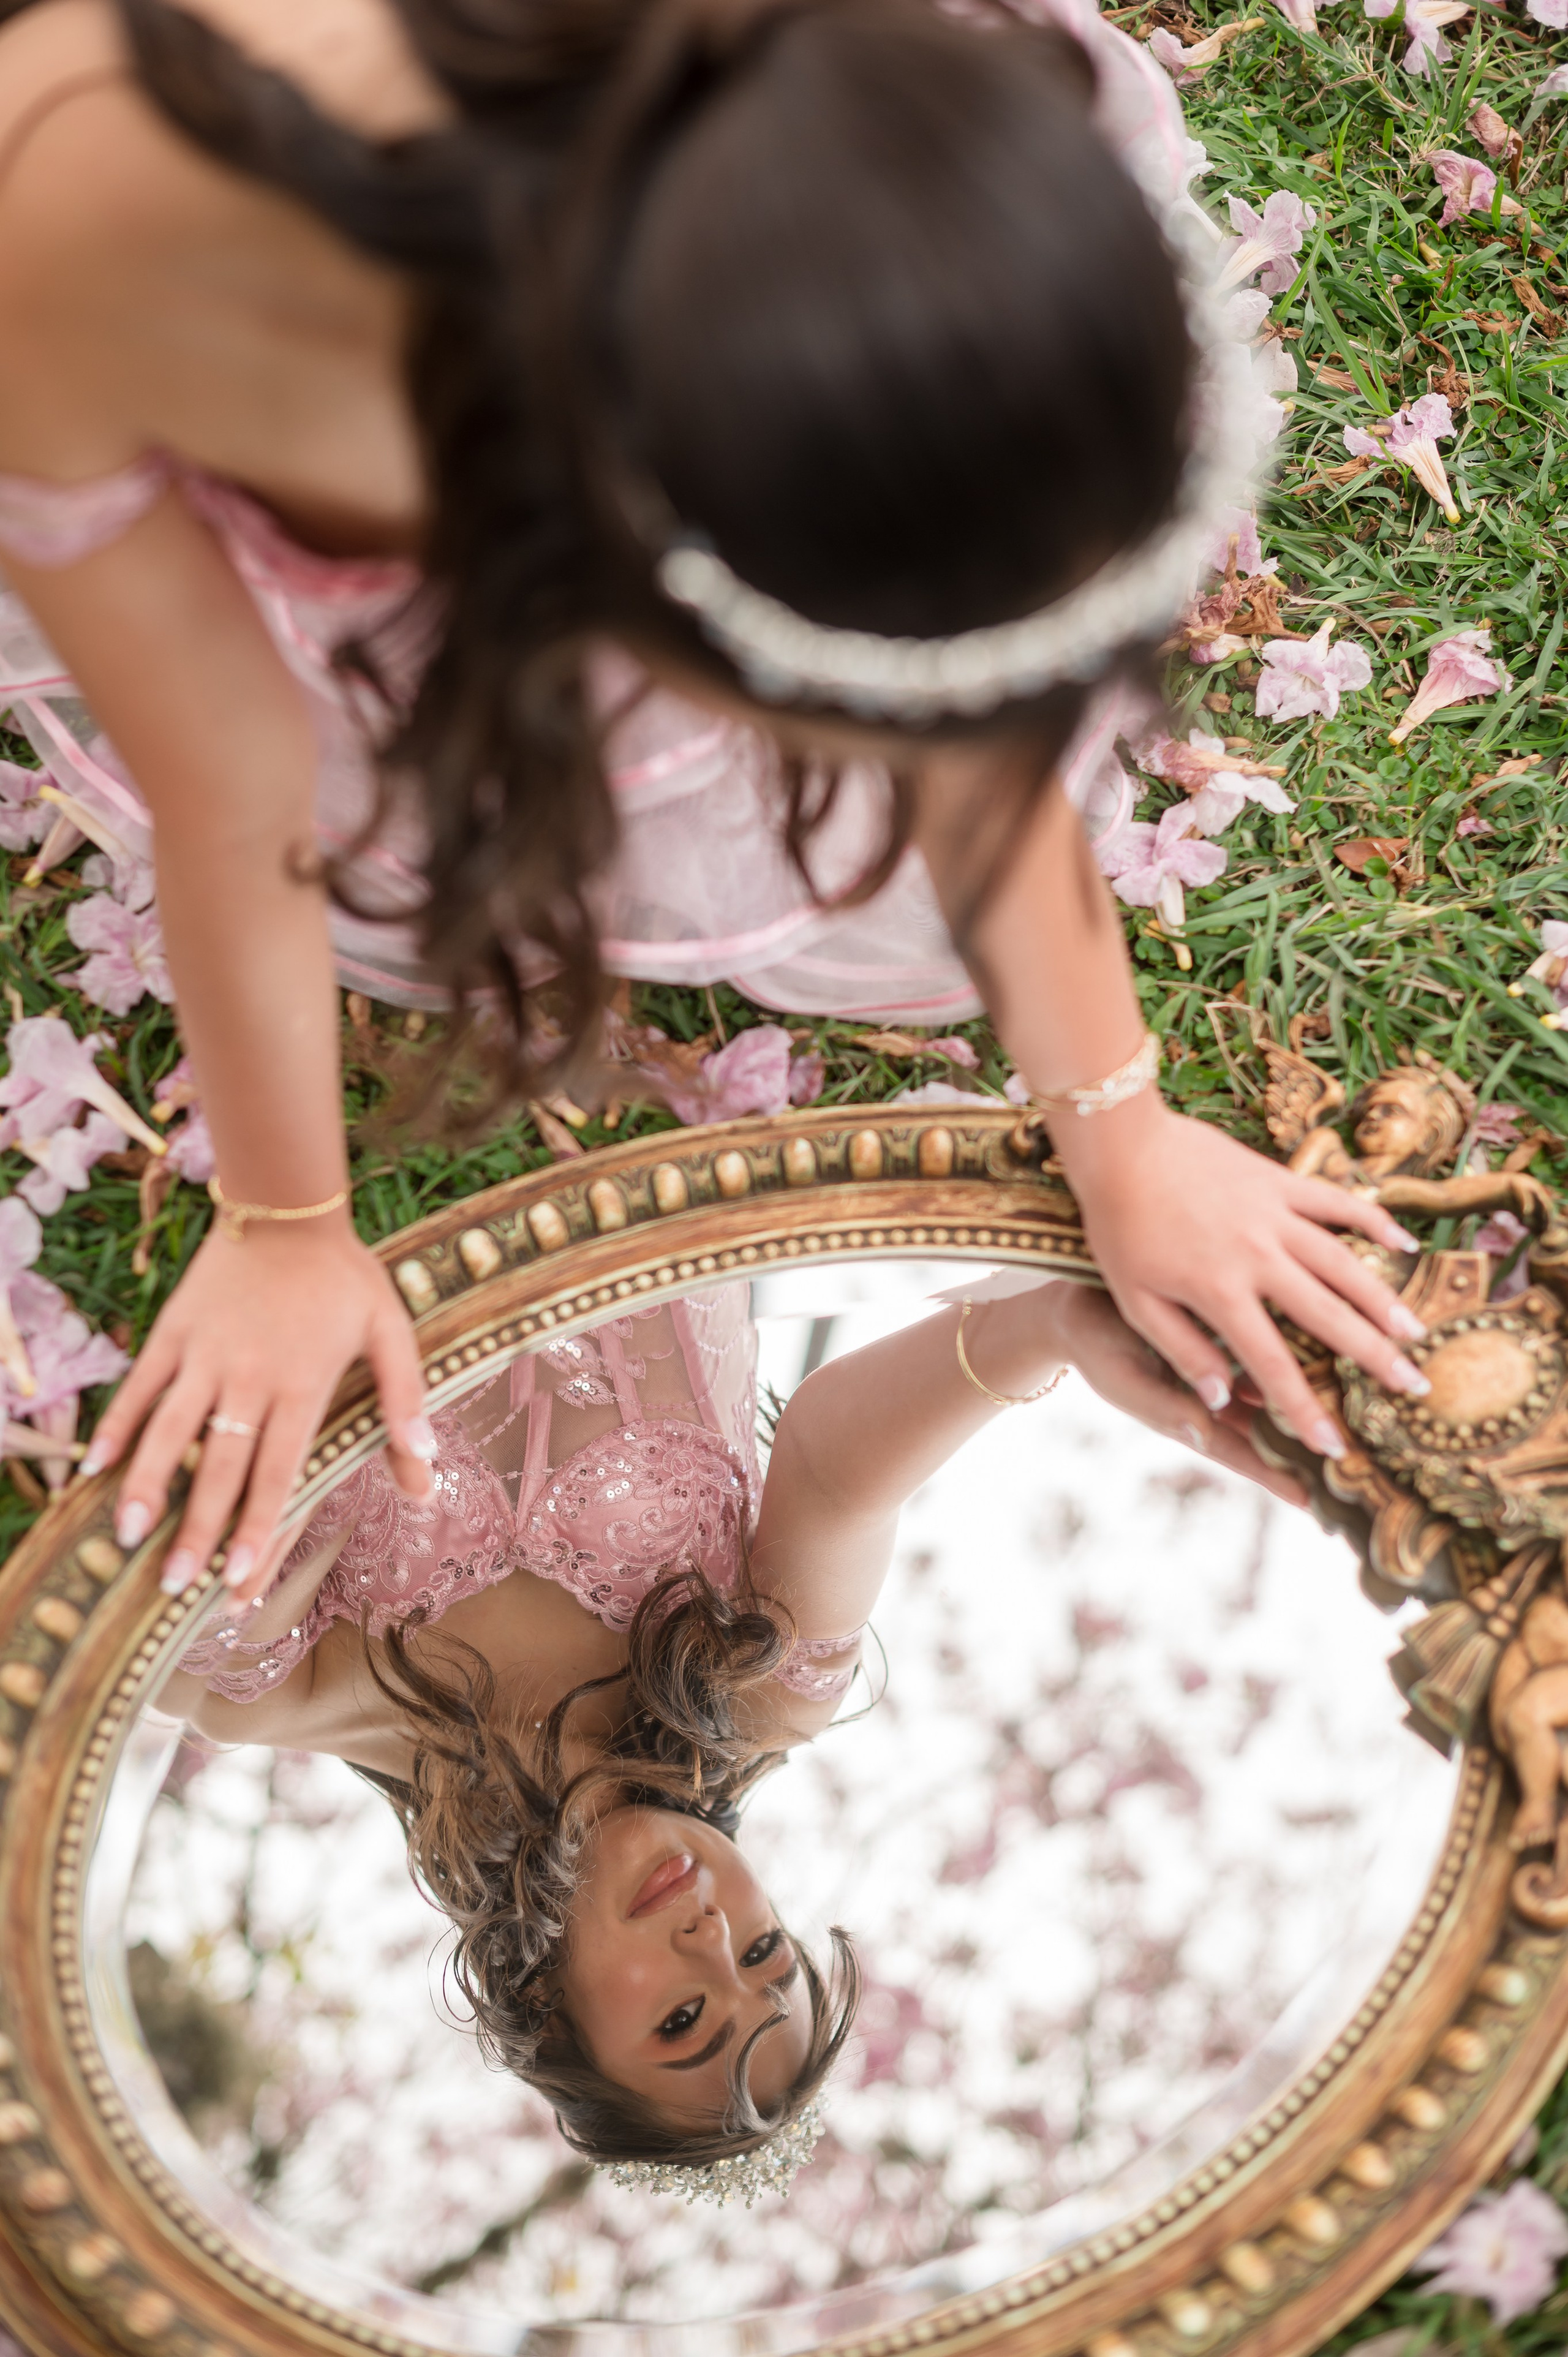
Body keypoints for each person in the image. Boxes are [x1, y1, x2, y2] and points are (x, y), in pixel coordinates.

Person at [0, 0, 1430, 1616]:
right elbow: (235, 789)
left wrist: (1122, 1132)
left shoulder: (848, 153)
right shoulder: (88, 223)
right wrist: (283, 1224)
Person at [159, 1273, 1303, 2181]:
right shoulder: (763, 1684)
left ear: (549, 2013)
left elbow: (210, 1434)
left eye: (682, 2018)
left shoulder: (258, 1689)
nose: (715, 1937)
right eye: (766, 1954)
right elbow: (836, 1472)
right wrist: (1044, 1329)